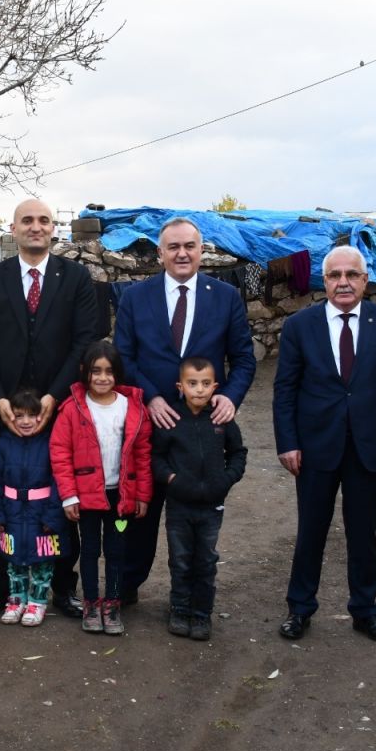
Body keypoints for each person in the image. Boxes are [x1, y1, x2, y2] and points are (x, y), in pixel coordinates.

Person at [273, 245, 376, 644]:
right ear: (325, 281)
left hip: (371, 446)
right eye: (335, 275)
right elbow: (285, 391)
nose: (343, 282)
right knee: (311, 531)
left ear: (365, 280)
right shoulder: (300, 325)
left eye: (352, 274)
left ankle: (366, 611)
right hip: (315, 446)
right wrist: (288, 443)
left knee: (363, 532)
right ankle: (299, 609)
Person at [113, 216, 255, 605]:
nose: (181, 253)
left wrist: (231, 397)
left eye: (189, 246)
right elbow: (124, 357)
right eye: (173, 247)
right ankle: (125, 588)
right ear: (160, 253)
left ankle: (191, 600)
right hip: (148, 423)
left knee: (196, 522)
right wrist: (151, 397)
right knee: (140, 511)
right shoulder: (135, 297)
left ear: (201, 251)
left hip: (202, 433)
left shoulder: (225, 296)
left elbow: (244, 359)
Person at [0, 198, 99, 620]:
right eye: (27, 220)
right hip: (6, 413)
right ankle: (0, 587)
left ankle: (62, 586)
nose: (36, 226)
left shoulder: (76, 277)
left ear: (53, 228)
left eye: (44, 220)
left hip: (59, 411)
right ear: (14, 228)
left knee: (61, 498)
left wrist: (54, 397)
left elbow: (84, 341)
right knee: (6, 499)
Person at [50, 341, 152, 636]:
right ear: (85, 372)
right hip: (87, 497)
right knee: (90, 550)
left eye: (109, 371)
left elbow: (143, 454)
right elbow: (60, 453)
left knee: (117, 551)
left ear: (117, 373)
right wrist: (69, 495)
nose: (103, 377)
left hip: (120, 496)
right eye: (96, 371)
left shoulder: (132, 407)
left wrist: (142, 494)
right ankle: (91, 603)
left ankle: (113, 604)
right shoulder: (72, 409)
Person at [150, 357, 247, 642]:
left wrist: (226, 480)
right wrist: (172, 479)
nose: (200, 389)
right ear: (180, 386)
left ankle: (202, 613)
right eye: (192, 383)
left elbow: (238, 453)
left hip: (211, 507)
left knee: (205, 561)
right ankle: (179, 610)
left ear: (215, 386)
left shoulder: (221, 419)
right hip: (179, 506)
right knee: (180, 560)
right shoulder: (171, 420)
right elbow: (156, 457)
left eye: (206, 384)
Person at [0, 388, 67, 627]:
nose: (26, 421)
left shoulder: (51, 442)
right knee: (14, 562)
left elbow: (59, 481)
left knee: (43, 562)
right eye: (19, 415)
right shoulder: (3, 444)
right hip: (12, 514)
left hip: (41, 515)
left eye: (32, 415)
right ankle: (16, 600)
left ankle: (37, 601)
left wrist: (53, 516)